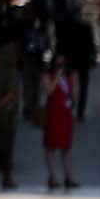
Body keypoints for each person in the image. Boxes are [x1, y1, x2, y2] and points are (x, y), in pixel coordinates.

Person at [41, 53, 76, 190]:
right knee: (51, 146)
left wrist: (73, 93)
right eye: (58, 64)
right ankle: (52, 177)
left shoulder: (69, 76)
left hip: (66, 114)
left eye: (63, 64)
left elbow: (73, 95)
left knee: (66, 147)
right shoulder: (47, 75)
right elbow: (49, 91)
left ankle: (68, 176)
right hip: (53, 113)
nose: (61, 66)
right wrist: (56, 77)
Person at [0, 35, 21, 189]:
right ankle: (7, 177)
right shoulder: (10, 70)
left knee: (6, 148)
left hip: (5, 114)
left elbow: (12, 94)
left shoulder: (7, 70)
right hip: (4, 115)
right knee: (6, 148)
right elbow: (12, 94)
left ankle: (7, 176)